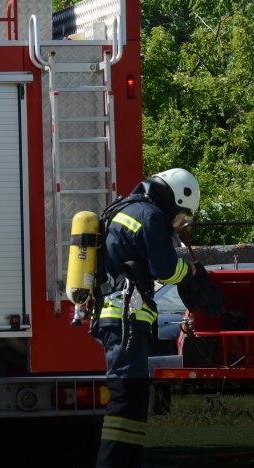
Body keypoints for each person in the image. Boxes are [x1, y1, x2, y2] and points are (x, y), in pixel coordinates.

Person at [93, 168, 224, 468]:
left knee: (134, 401)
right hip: (126, 321)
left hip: (122, 319)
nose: (176, 224)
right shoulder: (149, 214)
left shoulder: (125, 208)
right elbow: (165, 267)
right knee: (126, 399)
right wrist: (190, 277)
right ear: (172, 197)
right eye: (179, 216)